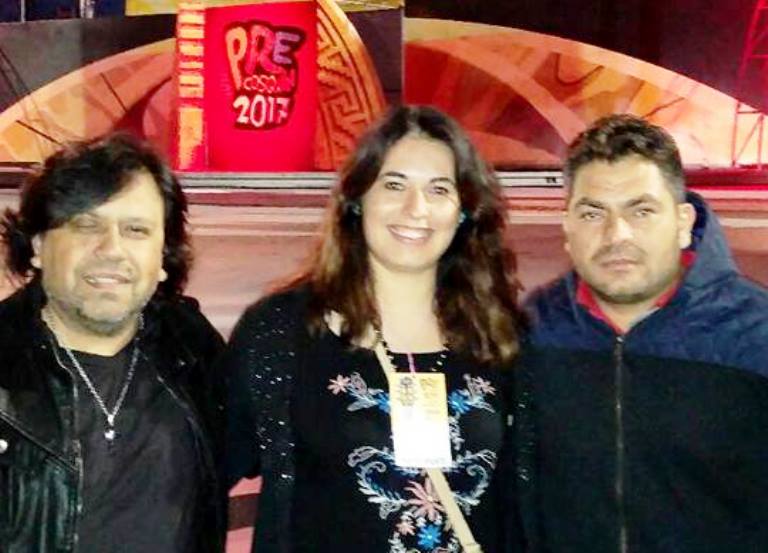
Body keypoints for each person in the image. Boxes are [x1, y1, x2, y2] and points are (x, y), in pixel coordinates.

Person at [223, 105, 526, 553]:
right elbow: (201, 475)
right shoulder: (282, 332)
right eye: (394, 185)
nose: (415, 209)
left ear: (464, 211)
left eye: (439, 189)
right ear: (357, 198)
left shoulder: (500, 334)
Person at [518, 114, 768, 552]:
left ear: (683, 221)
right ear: (567, 228)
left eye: (642, 211)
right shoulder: (534, 331)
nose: (617, 234)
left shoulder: (755, 333)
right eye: (593, 213)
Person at [0, 134, 225, 552]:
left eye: (136, 230)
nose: (111, 249)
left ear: (163, 256)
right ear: (38, 246)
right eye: (86, 225)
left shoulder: (194, 352)